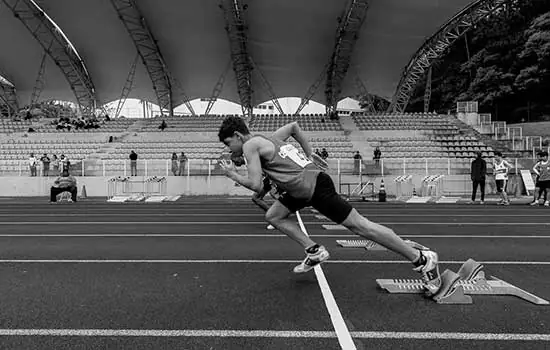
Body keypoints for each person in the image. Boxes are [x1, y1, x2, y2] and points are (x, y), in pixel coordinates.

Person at [217, 116, 442, 296]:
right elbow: (294, 126)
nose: (230, 149)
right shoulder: (270, 138)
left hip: (314, 187)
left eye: (229, 144)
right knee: (274, 215)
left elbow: (256, 186)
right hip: (302, 188)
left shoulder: (250, 146)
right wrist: (309, 154)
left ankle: (422, 259)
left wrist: (232, 174)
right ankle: (314, 250)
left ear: (237, 135)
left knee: (361, 227)